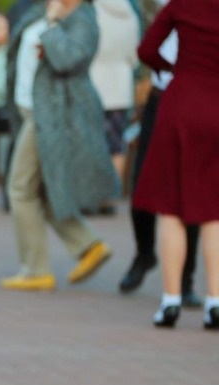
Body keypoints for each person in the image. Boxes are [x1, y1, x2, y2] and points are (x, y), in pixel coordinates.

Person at [0, 0, 119, 291]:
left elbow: (68, 58)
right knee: (42, 188)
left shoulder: (84, 18)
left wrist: (52, 25)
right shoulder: (42, 10)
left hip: (53, 113)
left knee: (20, 188)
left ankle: (35, 270)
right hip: (30, 109)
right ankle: (87, 244)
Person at [131, 0, 219, 329]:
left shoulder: (182, 4)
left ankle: (170, 302)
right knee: (213, 211)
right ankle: (215, 302)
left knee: (172, 209)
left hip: (181, 101)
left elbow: (147, 49)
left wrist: (169, 68)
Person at [117, 0, 200, 307]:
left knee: (191, 195)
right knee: (143, 185)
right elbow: (147, 48)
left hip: (196, 98)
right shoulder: (168, 6)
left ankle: (184, 281)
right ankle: (144, 252)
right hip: (161, 96)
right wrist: (170, 69)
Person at [86, 0, 139, 215]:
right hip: (120, 86)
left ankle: (91, 195)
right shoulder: (130, 15)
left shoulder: (92, 12)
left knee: (92, 142)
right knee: (116, 145)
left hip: (95, 82)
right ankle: (110, 198)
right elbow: (135, 56)